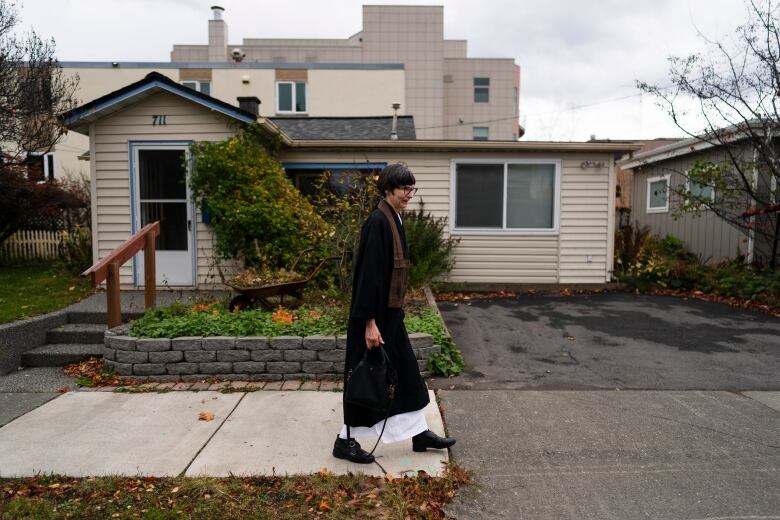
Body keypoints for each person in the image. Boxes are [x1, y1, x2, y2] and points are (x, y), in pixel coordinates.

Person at [332, 162, 456, 464]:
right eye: (404, 189)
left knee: (409, 376)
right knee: (366, 379)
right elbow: (368, 277)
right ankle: (344, 441)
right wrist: (370, 324)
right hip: (374, 319)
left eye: (412, 188)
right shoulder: (378, 222)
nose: (409, 194)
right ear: (387, 190)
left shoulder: (394, 218)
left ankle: (418, 433)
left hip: (390, 316)